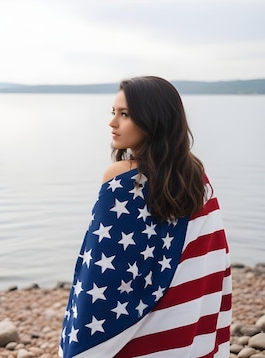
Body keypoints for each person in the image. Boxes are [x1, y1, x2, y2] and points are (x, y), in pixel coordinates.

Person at [59, 76, 231, 357]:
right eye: (113, 112)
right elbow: (212, 258)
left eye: (124, 114)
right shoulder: (196, 176)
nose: (112, 123)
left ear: (154, 119)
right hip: (182, 325)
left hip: (138, 330)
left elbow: (100, 271)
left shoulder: (121, 177)